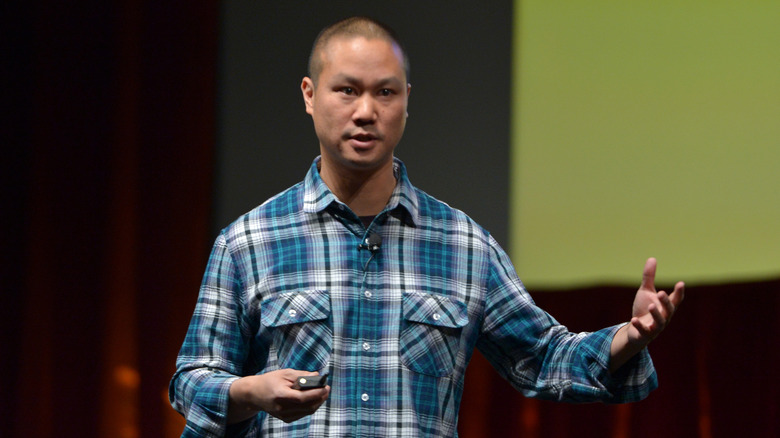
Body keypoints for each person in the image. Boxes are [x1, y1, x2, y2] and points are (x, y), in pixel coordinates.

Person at [169, 16, 685, 437]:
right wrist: (250, 392)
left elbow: (545, 358)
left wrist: (627, 339)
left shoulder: (464, 245)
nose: (366, 111)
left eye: (385, 93)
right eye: (346, 90)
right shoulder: (249, 242)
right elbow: (190, 382)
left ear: (407, 100)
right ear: (309, 94)